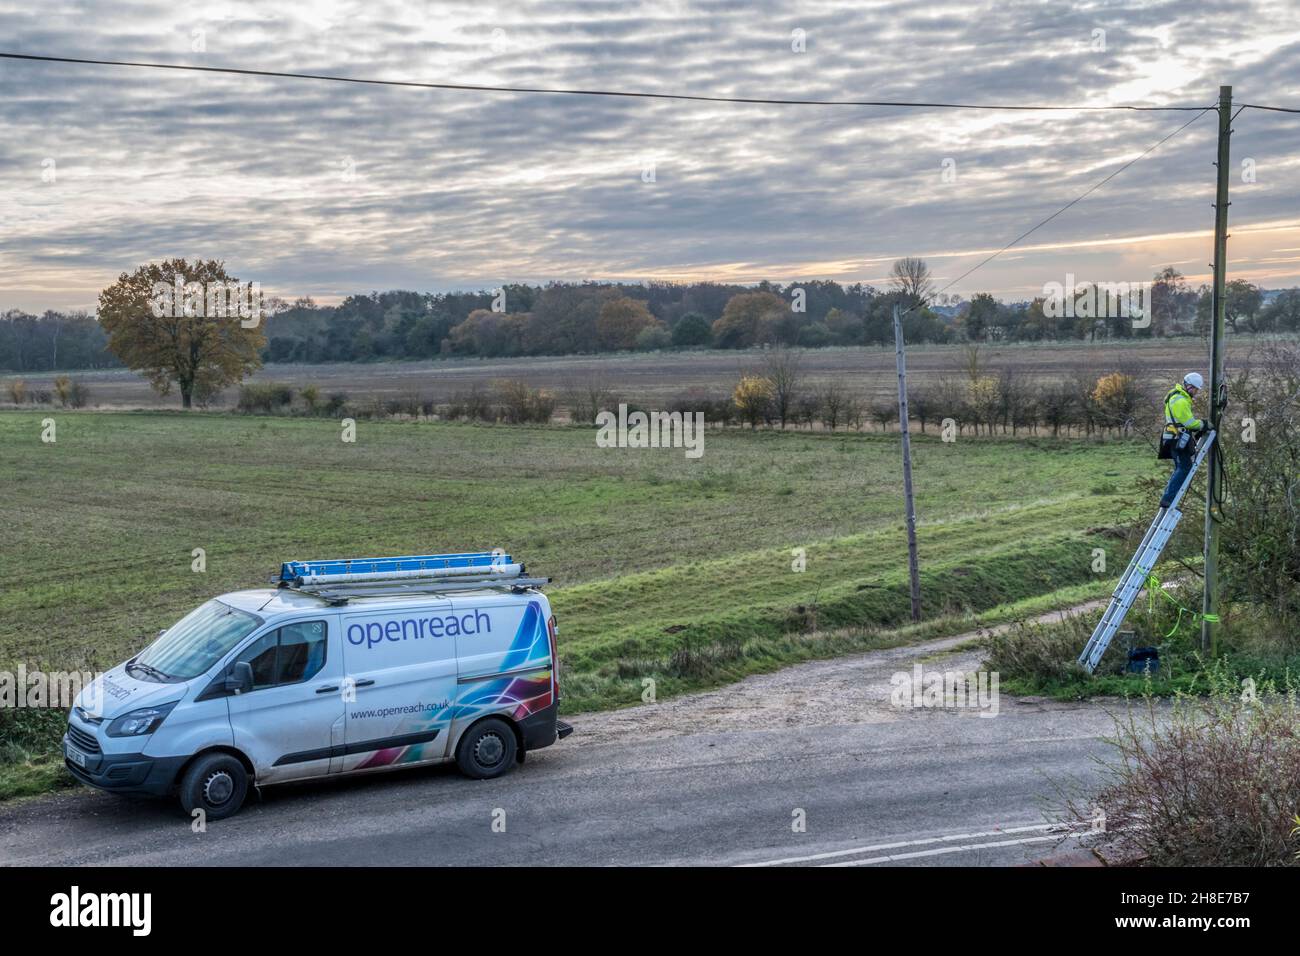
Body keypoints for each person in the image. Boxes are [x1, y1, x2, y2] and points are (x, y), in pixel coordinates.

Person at [1158, 372, 1207, 509]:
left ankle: (1168, 498)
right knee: (1185, 467)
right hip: (1178, 439)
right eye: (1195, 389)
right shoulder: (1181, 401)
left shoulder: (1175, 397)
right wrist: (1204, 424)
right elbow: (1190, 423)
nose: (1196, 392)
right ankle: (1168, 499)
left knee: (1180, 468)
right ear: (1188, 386)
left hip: (1173, 437)